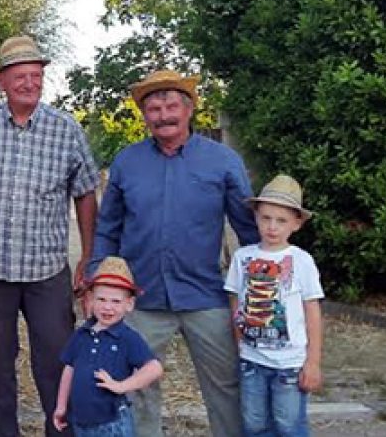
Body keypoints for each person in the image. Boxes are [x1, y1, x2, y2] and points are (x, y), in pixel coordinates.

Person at [0, 35, 100, 436]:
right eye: (20, 76)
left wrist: (88, 255)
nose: (30, 83)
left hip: (45, 270)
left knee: (55, 361)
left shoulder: (65, 129)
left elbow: (85, 194)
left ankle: (60, 430)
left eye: (36, 75)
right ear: (2, 82)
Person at [90, 69, 260, 437]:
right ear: (144, 115)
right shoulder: (126, 162)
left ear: (189, 109)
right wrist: (95, 279)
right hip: (143, 299)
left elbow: (249, 230)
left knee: (226, 386)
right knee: (137, 388)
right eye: (154, 108)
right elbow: (108, 229)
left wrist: (267, 280)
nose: (163, 115)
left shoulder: (222, 161)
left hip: (207, 297)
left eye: (171, 106)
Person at [225, 175, 324, 437]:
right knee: (254, 424)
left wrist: (312, 362)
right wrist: (240, 345)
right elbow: (235, 301)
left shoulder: (301, 261)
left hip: (289, 363)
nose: (272, 227)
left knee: (289, 425)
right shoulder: (242, 257)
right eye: (266, 218)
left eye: (281, 220)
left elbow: (312, 312)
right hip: (252, 360)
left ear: (297, 223)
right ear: (255, 216)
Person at [53, 257, 164, 437]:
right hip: (81, 421)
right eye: (101, 299)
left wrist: (122, 386)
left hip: (112, 423)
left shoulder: (128, 338)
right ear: (90, 300)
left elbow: (154, 368)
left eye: (115, 301)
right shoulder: (81, 334)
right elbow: (69, 369)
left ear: (129, 304)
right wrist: (61, 406)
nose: (107, 307)